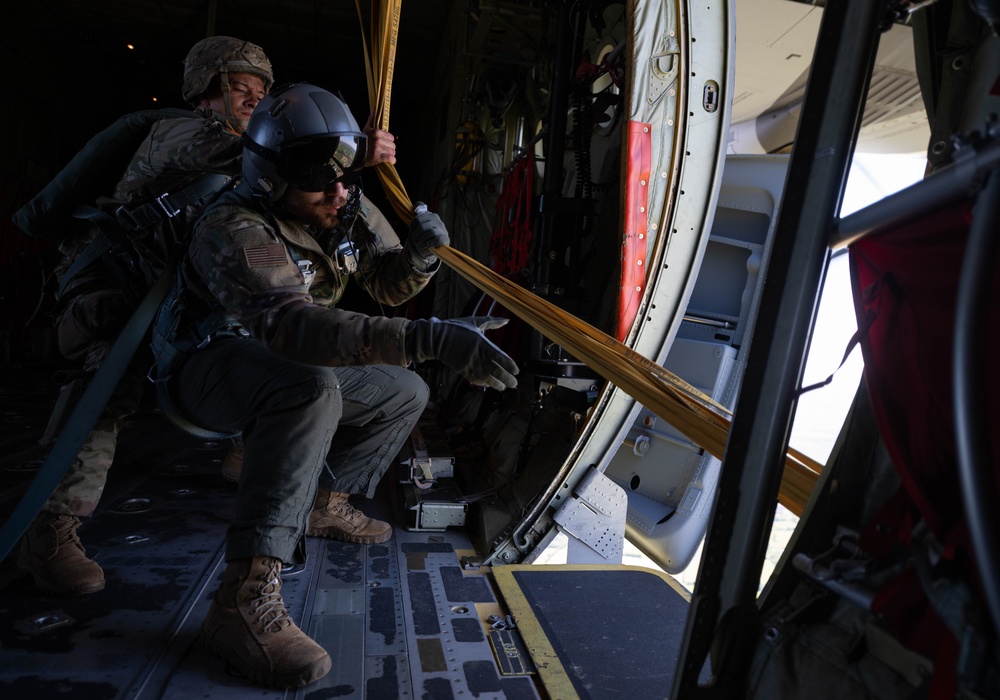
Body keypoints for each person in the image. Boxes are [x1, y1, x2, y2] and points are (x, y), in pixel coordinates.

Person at [154, 81, 517, 688]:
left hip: (293, 359)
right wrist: (428, 338)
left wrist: (421, 257)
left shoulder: (340, 200)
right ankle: (242, 601)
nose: (340, 192)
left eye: (344, 178)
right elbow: (292, 328)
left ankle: (325, 504)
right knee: (311, 388)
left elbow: (385, 284)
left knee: (405, 390)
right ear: (273, 181)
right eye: (322, 183)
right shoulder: (233, 225)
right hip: (209, 363)